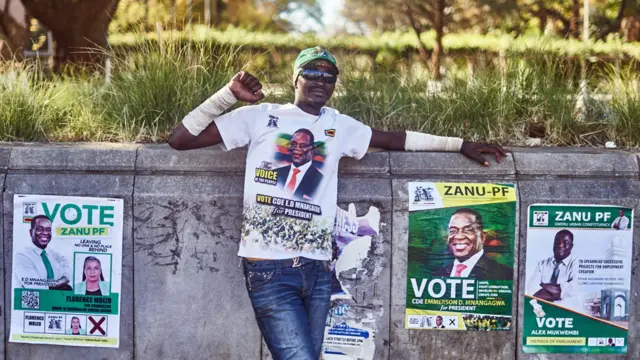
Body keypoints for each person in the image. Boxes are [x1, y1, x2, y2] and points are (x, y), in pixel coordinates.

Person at [168, 46, 507, 360]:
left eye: (329, 76)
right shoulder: (261, 117)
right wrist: (228, 95)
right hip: (270, 269)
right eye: (312, 73)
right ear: (295, 79)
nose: (321, 81)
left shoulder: (338, 125)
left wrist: (459, 144)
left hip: (317, 269)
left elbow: (395, 140)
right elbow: (180, 139)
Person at [436, 208, 512, 280]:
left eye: (468, 230)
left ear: (482, 237)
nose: (458, 236)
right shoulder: (438, 275)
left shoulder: (505, 275)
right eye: (453, 231)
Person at [13, 215, 72, 290]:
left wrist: (55, 284)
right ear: (31, 232)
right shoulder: (21, 256)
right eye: (39, 229)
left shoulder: (56, 254)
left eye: (48, 229)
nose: (45, 233)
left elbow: (68, 275)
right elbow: (34, 286)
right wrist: (59, 283)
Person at [527, 229, 580, 310]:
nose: (561, 245)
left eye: (566, 243)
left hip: (568, 313)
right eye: (557, 242)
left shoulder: (576, 264)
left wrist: (543, 285)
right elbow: (531, 291)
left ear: (571, 246)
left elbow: (573, 289)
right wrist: (559, 294)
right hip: (543, 312)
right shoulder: (542, 264)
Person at [275, 128, 323, 200]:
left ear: (312, 150)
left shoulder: (321, 181)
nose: (296, 148)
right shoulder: (275, 173)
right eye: (293, 144)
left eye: (303, 145)